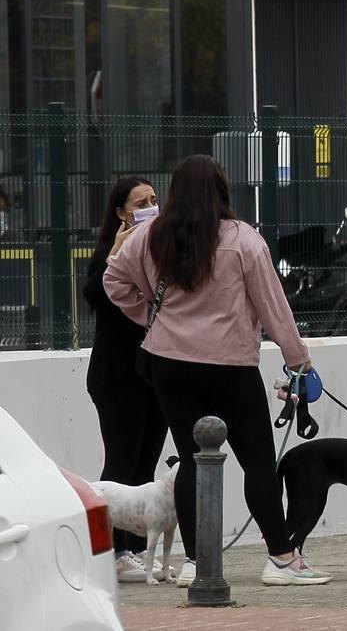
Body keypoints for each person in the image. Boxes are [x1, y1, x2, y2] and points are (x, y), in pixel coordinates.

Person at [104, 155, 328, 586]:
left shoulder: (150, 236)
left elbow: (114, 281)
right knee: (257, 460)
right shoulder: (243, 239)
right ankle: (281, 557)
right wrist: (298, 358)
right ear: (222, 191)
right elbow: (273, 306)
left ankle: (194, 562)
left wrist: (152, 314)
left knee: (191, 461)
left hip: (169, 364)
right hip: (230, 365)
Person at [83, 176, 168, 582]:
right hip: (117, 377)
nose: (151, 206)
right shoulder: (109, 252)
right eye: (141, 202)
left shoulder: (158, 248)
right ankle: (112, 550)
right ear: (121, 212)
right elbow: (96, 296)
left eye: (154, 199)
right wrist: (116, 251)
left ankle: (136, 548)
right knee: (121, 463)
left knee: (146, 463)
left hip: (153, 373)